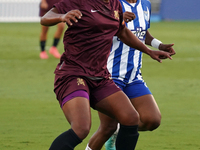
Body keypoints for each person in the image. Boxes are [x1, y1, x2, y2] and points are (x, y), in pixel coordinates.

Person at [40, 0, 173, 149]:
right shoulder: (79, 2)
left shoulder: (115, 4)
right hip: (74, 73)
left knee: (131, 118)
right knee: (81, 128)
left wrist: (150, 51)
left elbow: (122, 32)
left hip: (100, 76)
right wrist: (62, 17)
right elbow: (45, 18)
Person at [85, 0, 175, 150]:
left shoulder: (145, 5)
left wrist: (158, 45)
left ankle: (121, 128)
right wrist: (115, 19)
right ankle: (117, 129)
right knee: (107, 128)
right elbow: (95, 27)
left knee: (151, 120)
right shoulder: (112, 4)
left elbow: (142, 31)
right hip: (108, 76)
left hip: (133, 76)